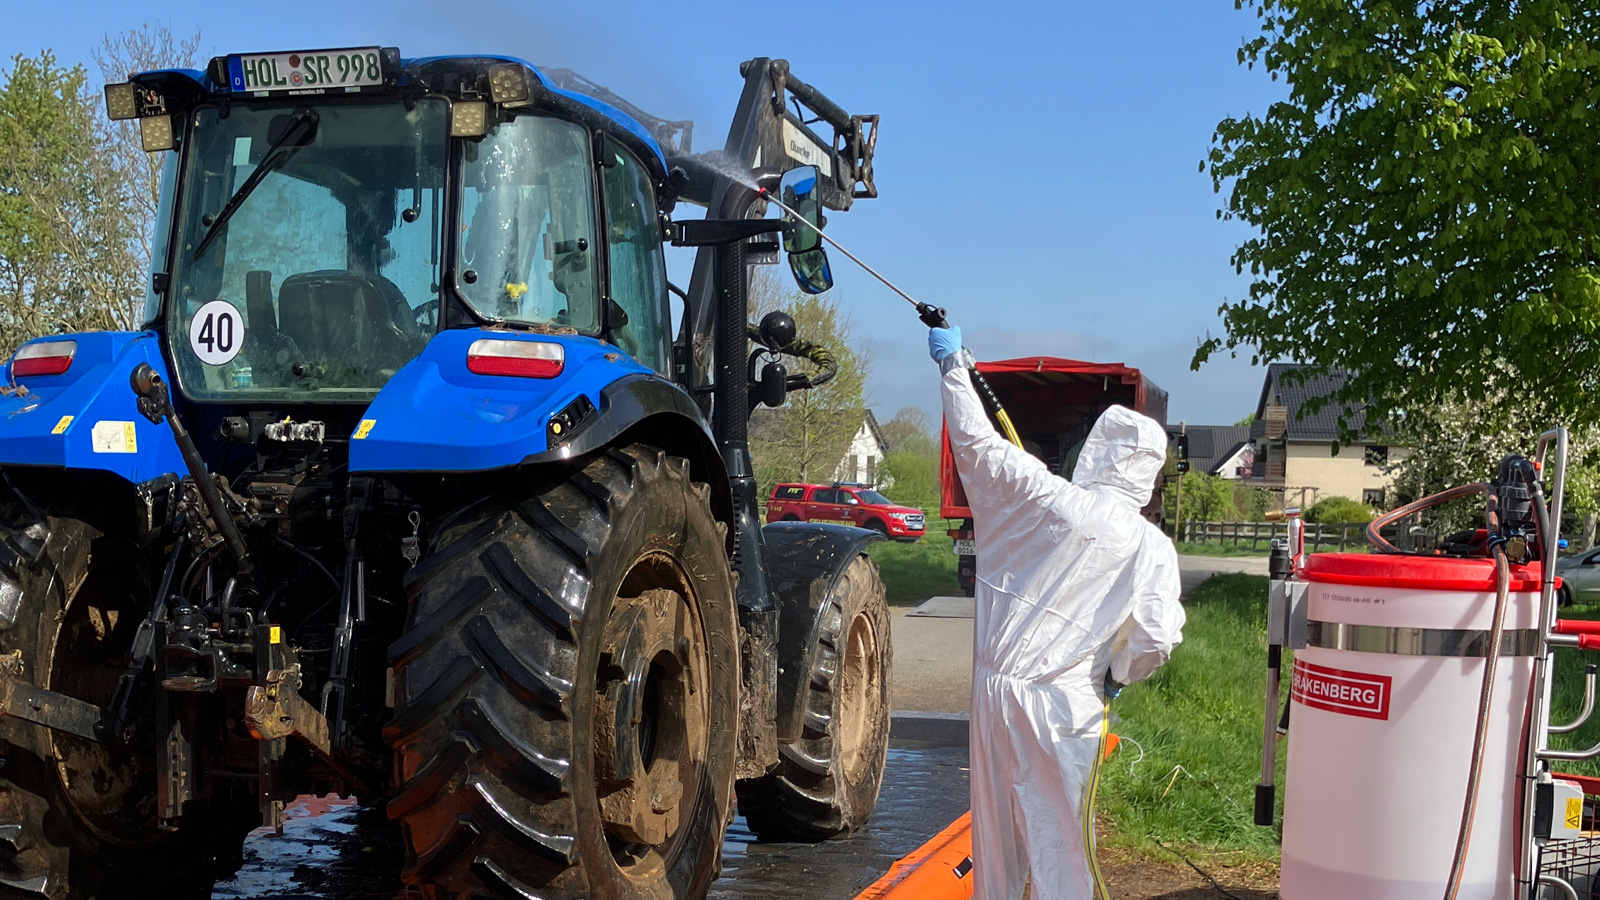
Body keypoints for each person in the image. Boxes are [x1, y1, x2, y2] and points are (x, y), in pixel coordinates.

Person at [930, 325, 1186, 900]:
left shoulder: (1046, 497)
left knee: (994, 844)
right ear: (1148, 474)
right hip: (1065, 708)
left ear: (1095, 451)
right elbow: (1155, 637)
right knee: (1062, 845)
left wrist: (954, 371)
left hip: (994, 692)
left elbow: (976, 445)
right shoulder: (1149, 547)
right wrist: (1118, 673)